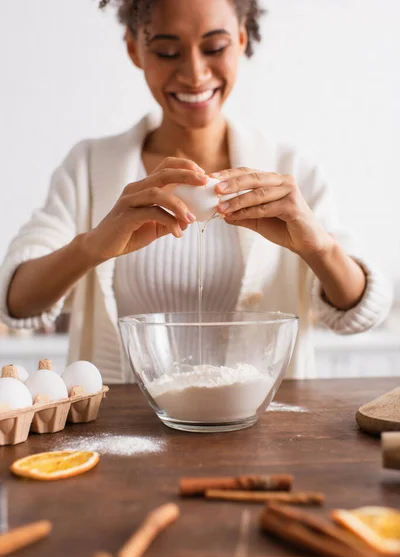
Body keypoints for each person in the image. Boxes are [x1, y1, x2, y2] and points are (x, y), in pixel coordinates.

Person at [0, 0, 392, 382]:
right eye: (168, 51)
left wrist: (318, 247)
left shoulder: (290, 171)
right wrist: (93, 246)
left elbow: (359, 313)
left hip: (261, 435)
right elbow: (15, 304)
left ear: (241, 40)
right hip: (127, 430)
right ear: (135, 49)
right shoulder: (89, 167)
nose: (194, 73)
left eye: (214, 47)